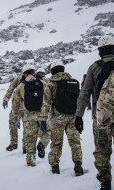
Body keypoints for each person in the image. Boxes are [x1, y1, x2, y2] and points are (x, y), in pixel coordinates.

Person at [75, 35, 114, 189]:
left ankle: (105, 183)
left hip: (101, 116)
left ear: (101, 50)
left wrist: (79, 116)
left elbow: (85, 93)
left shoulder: (94, 67)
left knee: (102, 149)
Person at [43, 59, 83, 176]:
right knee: (75, 142)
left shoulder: (50, 84)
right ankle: (78, 166)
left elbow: (46, 103)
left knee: (56, 143)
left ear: (53, 71)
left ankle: (55, 168)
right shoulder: (72, 82)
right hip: (73, 117)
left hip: (57, 119)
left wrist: (44, 119)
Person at [12, 64, 48, 166]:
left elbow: (16, 103)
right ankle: (42, 144)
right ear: (33, 73)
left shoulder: (20, 86)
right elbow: (49, 97)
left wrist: (16, 116)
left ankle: (30, 160)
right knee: (47, 132)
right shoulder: (42, 83)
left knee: (30, 138)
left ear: (24, 74)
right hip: (42, 113)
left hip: (28, 115)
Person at [97, 71, 114, 190]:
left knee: (103, 150)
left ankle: (105, 182)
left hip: (108, 118)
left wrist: (102, 125)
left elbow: (108, 101)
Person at [3, 73, 26, 152]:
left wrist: (6, 99)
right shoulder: (35, 79)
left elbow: (11, 88)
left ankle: (16, 143)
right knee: (26, 126)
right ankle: (22, 145)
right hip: (26, 107)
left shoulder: (19, 78)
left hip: (19, 105)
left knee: (14, 123)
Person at [35, 68, 51, 158]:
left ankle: (28, 150)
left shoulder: (31, 81)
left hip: (32, 111)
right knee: (47, 131)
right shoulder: (47, 81)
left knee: (33, 132)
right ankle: (42, 144)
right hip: (44, 110)